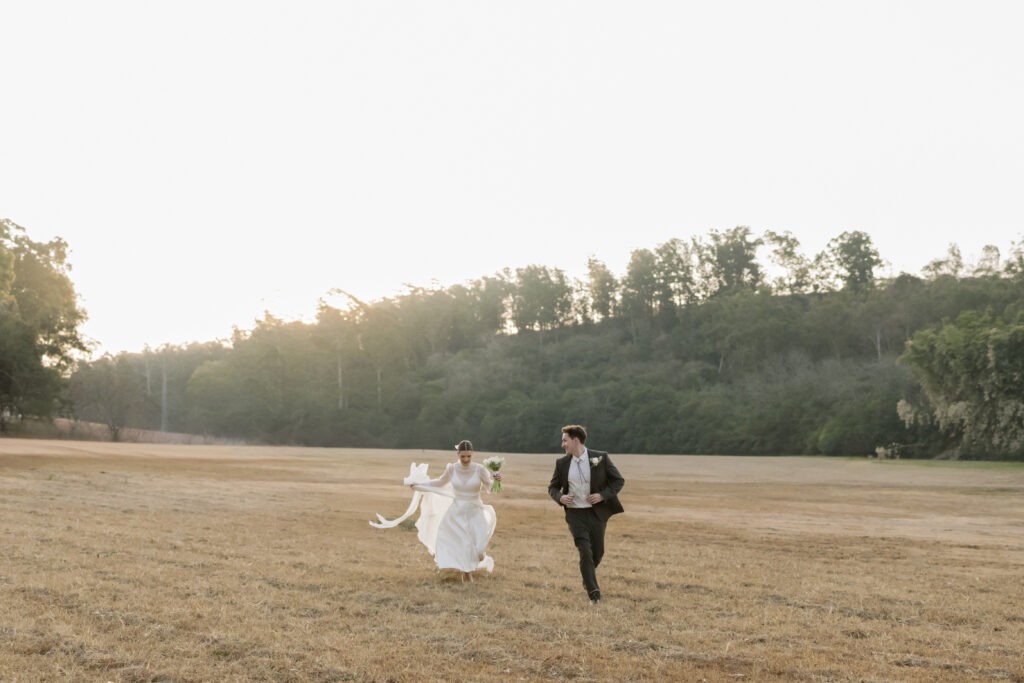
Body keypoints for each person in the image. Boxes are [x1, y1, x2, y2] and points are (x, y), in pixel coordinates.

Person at [371, 440, 501, 581]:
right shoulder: (452, 468)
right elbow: (439, 483)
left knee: (479, 550)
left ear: (472, 454)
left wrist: (497, 480)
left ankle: (473, 563)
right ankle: (466, 573)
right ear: (458, 454)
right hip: (456, 511)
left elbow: (491, 488)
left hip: (475, 510)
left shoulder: (479, 469)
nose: (465, 459)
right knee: (462, 542)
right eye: (462, 456)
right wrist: (420, 485)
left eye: (468, 456)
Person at [548, 424, 624, 604]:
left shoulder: (601, 458)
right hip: (575, 515)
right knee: (585, 552)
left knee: (598, 552)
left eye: (565, 440)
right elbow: (552, 487)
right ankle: (594, 593)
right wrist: (560, 497)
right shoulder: (562, 463)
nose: (563, 444)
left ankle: (587, 575)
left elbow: (618, 480)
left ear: (576, 440)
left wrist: (602, 495)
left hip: (596, 514)